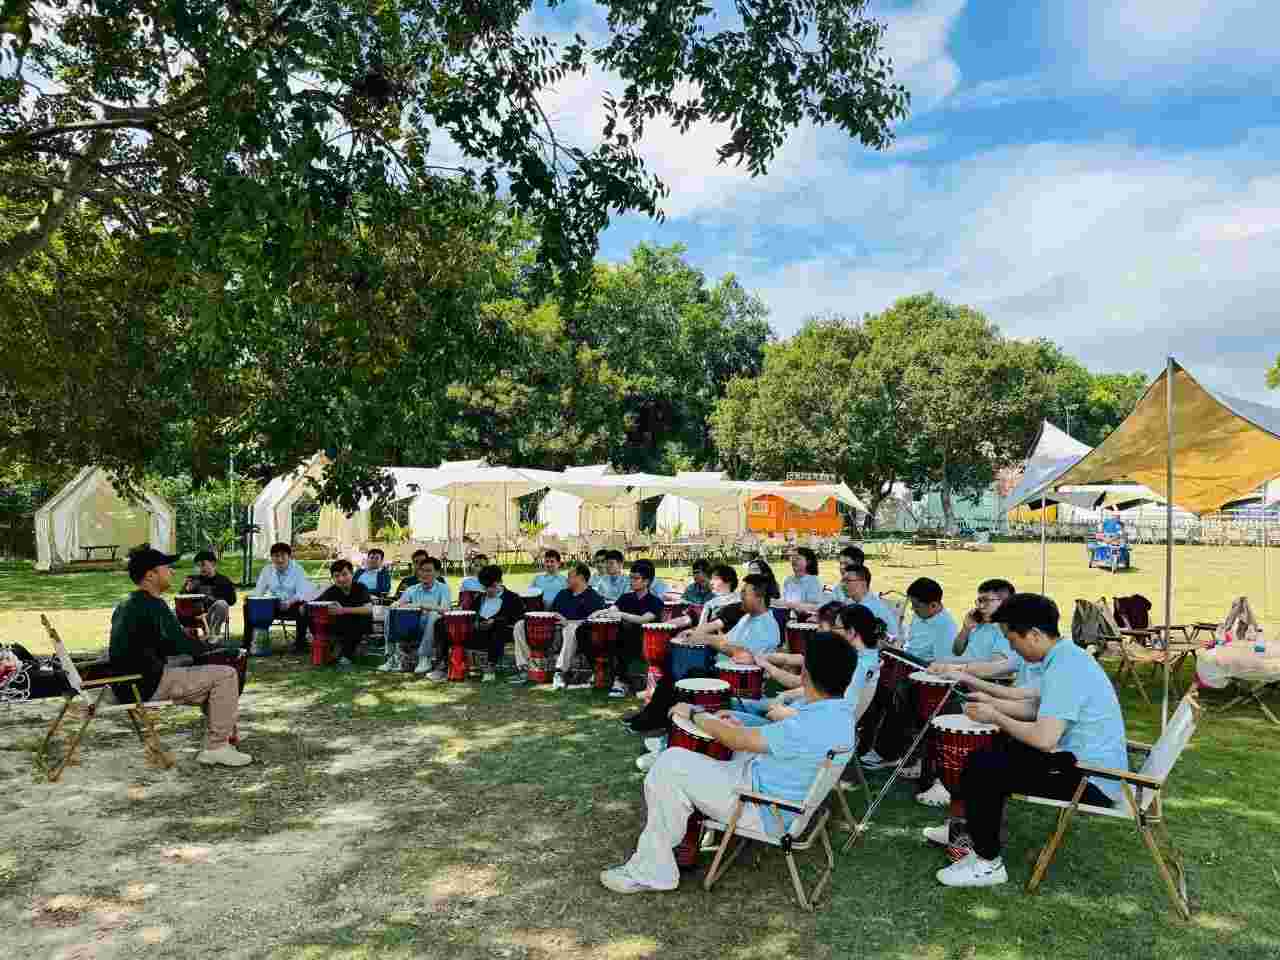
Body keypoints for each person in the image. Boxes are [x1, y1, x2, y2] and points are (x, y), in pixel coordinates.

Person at [599, 631, 855, 894]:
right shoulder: (840, 715)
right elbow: (779, 738)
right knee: (695, 756)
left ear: (806, 675)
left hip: (763, 809)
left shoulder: (808, 725)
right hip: (774, 793)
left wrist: (696, 713)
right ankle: (682, 839)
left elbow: (737, 740)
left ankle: (653, 871)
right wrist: (739, 724)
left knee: (669, 765)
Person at [924, 593, 1129, 888]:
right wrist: (992, 707)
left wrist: (995, 715)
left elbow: (1044, 738)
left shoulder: (1066, 667)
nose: (1011, 648)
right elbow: (1036, 709)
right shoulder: (1065, 656)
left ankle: (987, 863)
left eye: (1012, 640)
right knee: (991, 751)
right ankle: (964, 828)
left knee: (984, 767)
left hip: (1092, 780)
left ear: (1033, 634)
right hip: (1077, 762)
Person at [111, 546, 252, 767]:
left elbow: (164, 644)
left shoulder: (127, 603)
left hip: (127, 683)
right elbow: (181, 645)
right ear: (150, 575)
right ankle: (217, 747)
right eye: (166, 568)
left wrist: (193, 646)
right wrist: (216, 647)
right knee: (226, 675)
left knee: (207, 675)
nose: (172, 572)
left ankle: (226, 731)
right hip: (146, 684)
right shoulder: (153, 604)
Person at [512, 562, 607, 688]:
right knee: (520, 625)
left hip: (576, 636)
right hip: (552, 631)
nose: (567, 579)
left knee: (570, 628)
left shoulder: (594, 597)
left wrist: (568, 622)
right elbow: (552, 613)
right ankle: (526, 667)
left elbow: (594, 622)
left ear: (580, 578)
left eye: (570, 576)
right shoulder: (563, 594)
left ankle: (561, 671)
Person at [446, 564, 524, 682]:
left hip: (502, 631)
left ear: (500, 581)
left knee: (498, 627)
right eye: (485, 587)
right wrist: (477, 624)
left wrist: (495, 621)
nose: (488, 590)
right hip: (480, 631)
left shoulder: (512, 598)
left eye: (492, 586)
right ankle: (455, 664)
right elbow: (471, 616)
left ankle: (490, 667)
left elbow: (518, 620)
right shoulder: (479, 598)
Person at [607, 560, 665, 698]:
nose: (632, 581)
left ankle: (622, 681)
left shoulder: (655, 602)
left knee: (625, 634)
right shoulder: (625, 598)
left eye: (636, 578)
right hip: (626, 637)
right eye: (631, 577)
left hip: (647, 640)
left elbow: (643, 619)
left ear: (646, 581)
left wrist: (621, 614)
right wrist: (604, 612)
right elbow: (613, 609)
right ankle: (618, 680)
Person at [310, 559, 374, 670]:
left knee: (354, 622)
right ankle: (332, 651)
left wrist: (343, 610)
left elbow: (368, 609)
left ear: (352, 574)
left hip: (360, 623)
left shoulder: (360, 587)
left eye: (344, 574)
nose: (341, 579)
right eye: (337, 576)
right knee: (314, 618)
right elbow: (316, 602)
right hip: (340, 624)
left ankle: (345, 656)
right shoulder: (332, 590)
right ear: (333, 578)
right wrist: (304, 605)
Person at [391, 556, 451, 675]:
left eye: (428, 571)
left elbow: (445, 609)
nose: (424, 574)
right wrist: (400, 605)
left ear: (437, 573)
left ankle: (424, 657)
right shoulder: (412, 589)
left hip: (435, 625)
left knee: (433, 615)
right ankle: (392, 656)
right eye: (422, 570)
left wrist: (422, 606)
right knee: (392, 611)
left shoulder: (443, 588)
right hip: (413, 622)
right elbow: (397, 604)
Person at [252, 542, 316, 653]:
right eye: (276, 556)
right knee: (248, 606)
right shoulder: (267, 570)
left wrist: (289, 602)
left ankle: (300, 643)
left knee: (303, 607)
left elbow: (301, 592)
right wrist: (252, 600)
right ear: (272, 557)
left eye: (283, 556)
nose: (280, 560)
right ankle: (249, 641)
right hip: (274, 604)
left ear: (289, 556)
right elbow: (259, 591)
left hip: (294, 603)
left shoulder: (298, 569)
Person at [707, 573, 780, 665]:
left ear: (759, 598)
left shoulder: (766, 628)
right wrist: (699, 635)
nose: (740, 597)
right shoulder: (747, 617)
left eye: (744, 593)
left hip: (734, 672)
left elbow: (742, 654)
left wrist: (706, 639)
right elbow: (726, 639)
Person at [182, 549, 237, 642]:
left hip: (212, 614)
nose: (201, 568)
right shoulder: (193, 580)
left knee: (222, 604)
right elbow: (181, 600)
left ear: (213, 564)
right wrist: (186, 590)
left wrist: (213, 599)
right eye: (198, 566)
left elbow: (232, 601)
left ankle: (213, 634)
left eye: (203, 564)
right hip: (195, 615)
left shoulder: (223, 581)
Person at [902, 577, 959, 664]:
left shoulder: (946, 629)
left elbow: (942, 664)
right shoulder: (922, 613)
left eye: (916, 606)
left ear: (933, 605)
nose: (913, 609)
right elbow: (911, 642)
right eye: (912, 604)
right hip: (905, 658)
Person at [836, 565, 900, 637]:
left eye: (848, 581)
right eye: (842, 581)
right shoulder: (851, 602)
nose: (843, 585)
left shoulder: (872, 608)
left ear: (863, 583)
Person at [781, 547, 825, 615]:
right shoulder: (788, 580)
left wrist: (792, 606)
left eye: (798, 558)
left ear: (808, 562)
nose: (793, 560)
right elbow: (784, 602)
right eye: (792, 557)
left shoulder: (814, 581)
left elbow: (814, 607)